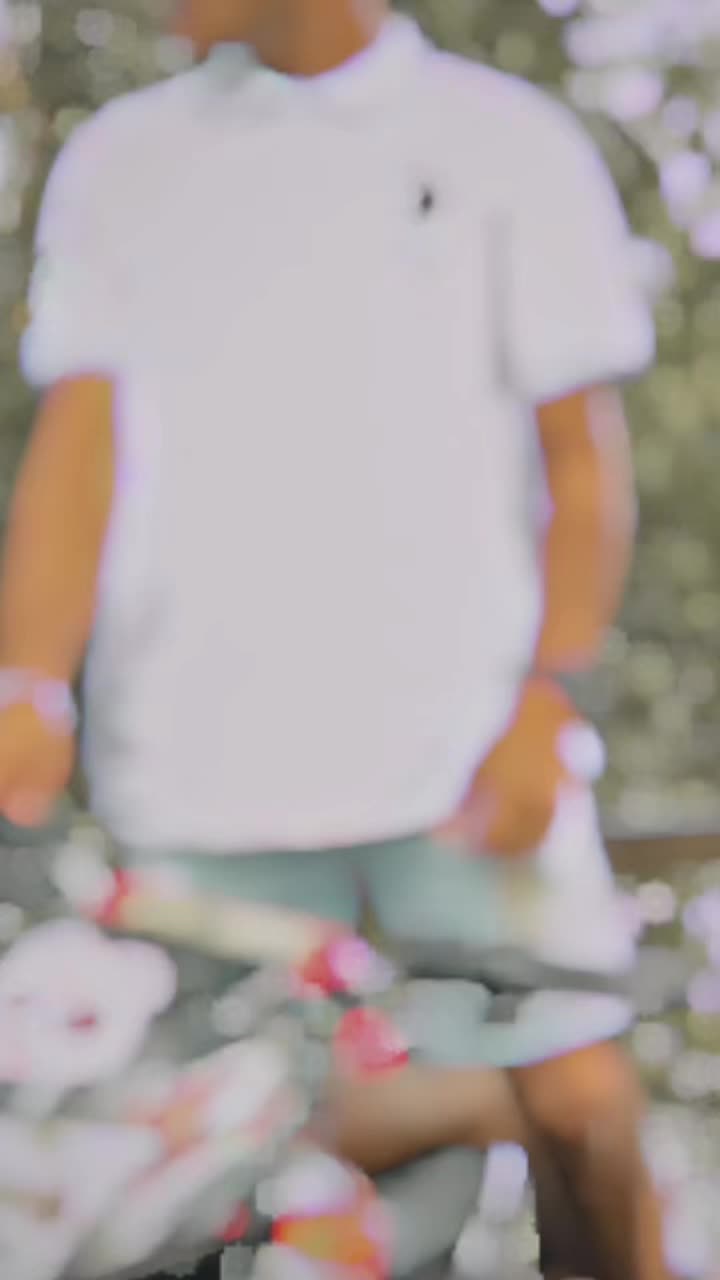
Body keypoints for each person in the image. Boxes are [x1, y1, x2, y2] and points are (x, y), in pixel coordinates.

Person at [0, 0, 672, 1277]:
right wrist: (25, 684)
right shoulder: (121, 161)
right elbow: (76, 456)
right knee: (197, 1164)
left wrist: (550, 698)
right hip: (195, 781)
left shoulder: (505, 141)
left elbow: (584, 471)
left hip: (464, 768)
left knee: (580, 1099)